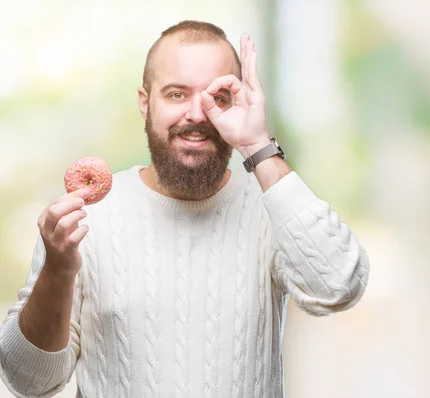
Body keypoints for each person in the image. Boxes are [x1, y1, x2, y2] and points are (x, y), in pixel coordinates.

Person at [0, 20, 370, 398]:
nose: (196, 114)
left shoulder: (270, 204)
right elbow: (27, 380)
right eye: (177, 94)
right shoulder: (87, 218)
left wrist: (258, 144)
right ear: (146, 103)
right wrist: (58, 272)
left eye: (219, 97)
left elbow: (339, 287)